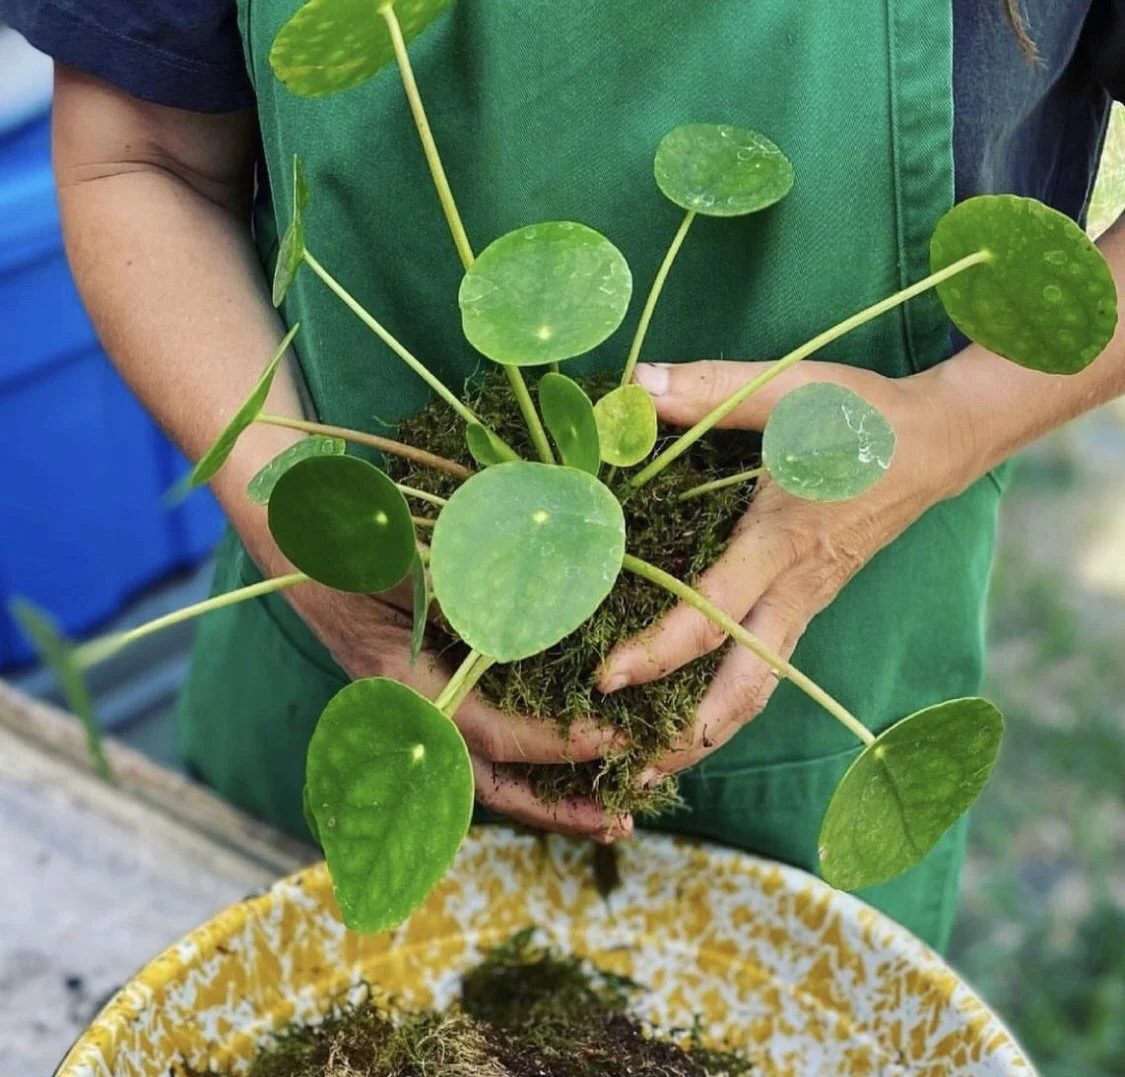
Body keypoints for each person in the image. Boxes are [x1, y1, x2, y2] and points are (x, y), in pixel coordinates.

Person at [4, 0, 1123, 951]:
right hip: (344, 658)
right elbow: (137, 156)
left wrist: (953, 420)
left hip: (833, 696)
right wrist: (311, 551)